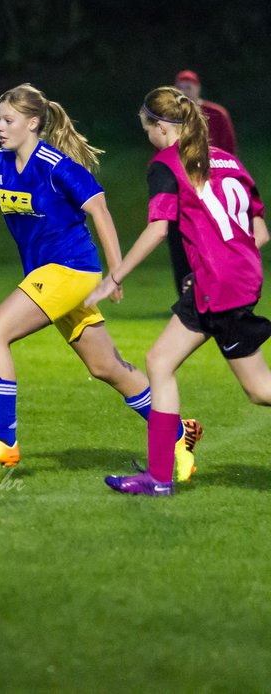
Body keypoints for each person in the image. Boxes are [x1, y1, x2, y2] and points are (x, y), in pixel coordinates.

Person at [0, 83, 201, 476]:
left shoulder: (56, 165)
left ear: (32, 122)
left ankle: (4, 440)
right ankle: (177, 432)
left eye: (8, 120)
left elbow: (100, 209)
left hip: (70, 269)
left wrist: (116, 272)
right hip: (47, 275)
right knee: (108, 368)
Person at [88, 87, 271, 496]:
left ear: (160, 127)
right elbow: (259, 232)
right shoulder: (228, 159)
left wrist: (114, 277)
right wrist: (216, 263)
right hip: (231, 280)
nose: (146, 137)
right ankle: (158, 477)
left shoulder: (166, 164)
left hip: (221, 287)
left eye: (146, 128)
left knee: (259, 389)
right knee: (163, 362)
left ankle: (158, 477)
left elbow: (158, 228)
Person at [165, 70, 239, 294]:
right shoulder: (169, 117)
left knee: (210, 241)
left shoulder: (216, 114)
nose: (185, 91)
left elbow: (230, 151)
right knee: (179, 242)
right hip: (181, 189)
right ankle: (186, 295)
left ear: (198, 88)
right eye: (181, 86)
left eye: (189, 86)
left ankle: (215, 291)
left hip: (210, 188)